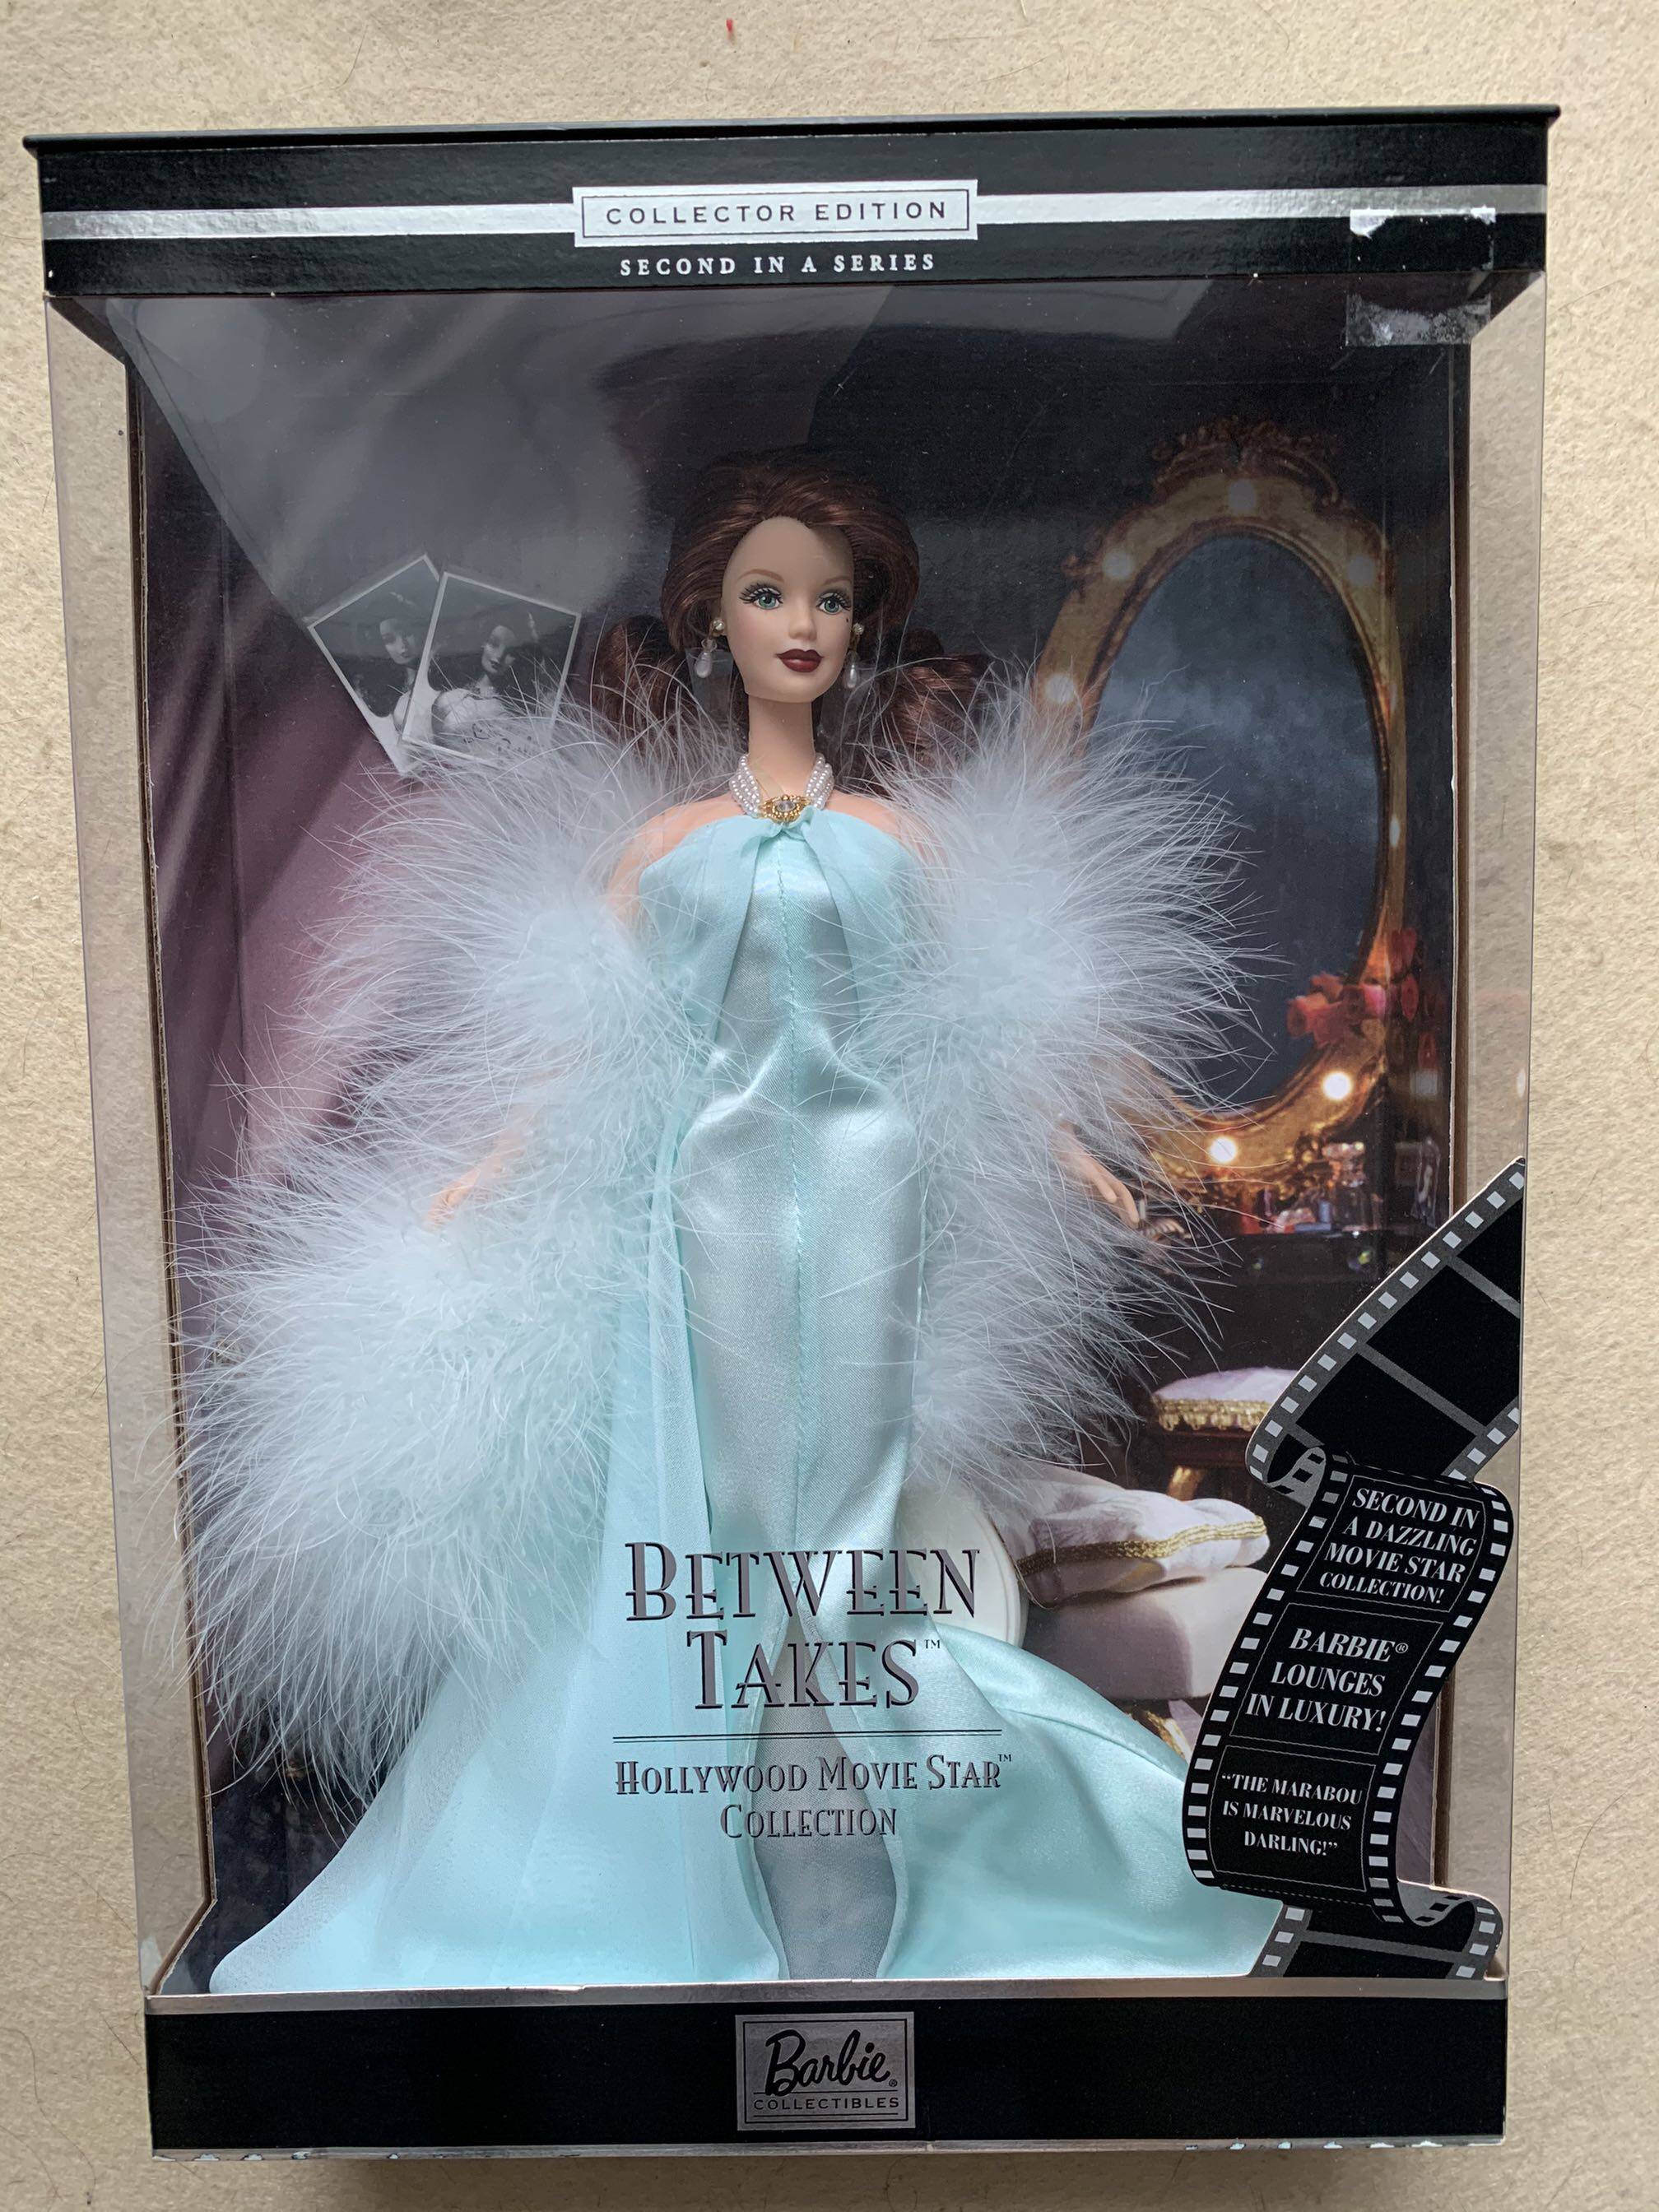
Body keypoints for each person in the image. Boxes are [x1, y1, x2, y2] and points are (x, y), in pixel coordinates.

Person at [192, 449, 1276, 1991]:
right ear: (713, 617)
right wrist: (494, 1161)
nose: (802, 624)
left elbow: (966, 1034)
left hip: (871, 1198)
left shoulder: (904, 844)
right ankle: (712, 1826)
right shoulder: (664, 847)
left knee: (846, 1527)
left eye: (830, 598)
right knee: (712, 1518)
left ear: (864, 621)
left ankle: (872, 1857)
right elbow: (589, 1042)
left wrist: (1072, 1152)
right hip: (698, 1203)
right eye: (770, 594)